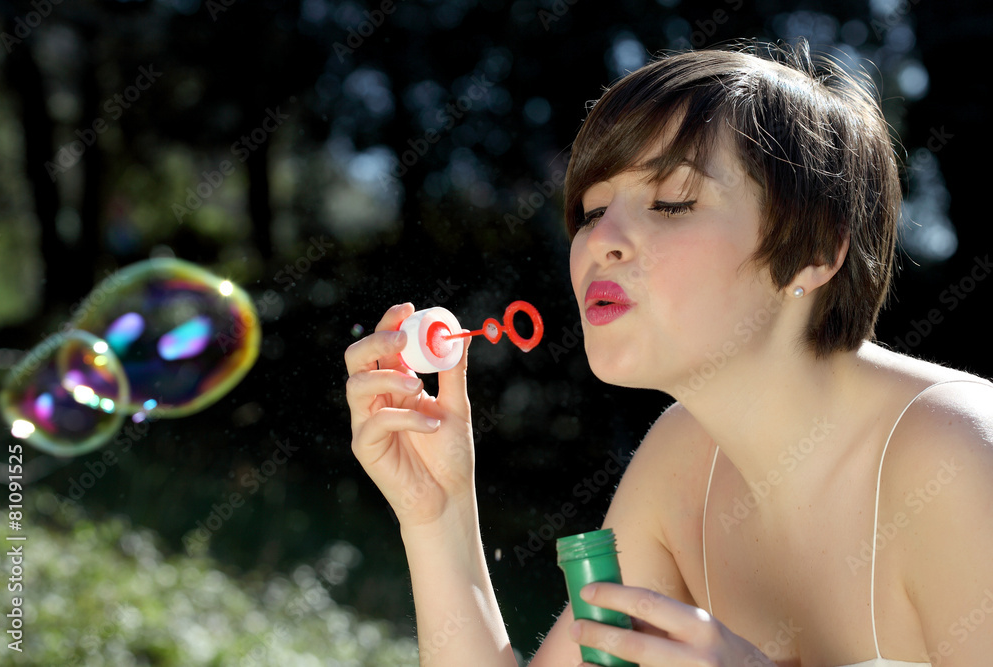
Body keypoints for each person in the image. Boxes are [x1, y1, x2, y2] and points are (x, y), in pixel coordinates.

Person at [344, 39, 993, 666]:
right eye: (593, 210)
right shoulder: (685, 459)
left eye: (672, 202)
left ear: (816, 248)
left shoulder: (958, 452)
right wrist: (439, 515)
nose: (604, 240)